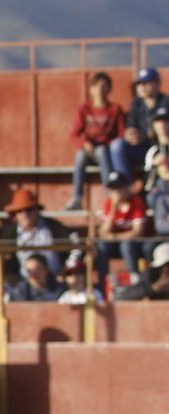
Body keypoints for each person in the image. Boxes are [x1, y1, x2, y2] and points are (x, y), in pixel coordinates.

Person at [67, 72, 125, 210]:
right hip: (88, 149)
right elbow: (74, 134)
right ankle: (77, 198)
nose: (100, 90)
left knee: (102, 152)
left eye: (104, 86)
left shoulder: (115, 110)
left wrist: (108, 144)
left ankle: (109, 196)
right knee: (79, 156)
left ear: (109, 89)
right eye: (96, 86)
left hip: (105, 150)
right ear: (91, 89)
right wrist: (84, 144)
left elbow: (121, 134)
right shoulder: (84, 109)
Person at [109, 67, 164, 182]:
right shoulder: (136, 104)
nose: (142, 87)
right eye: (139, 84)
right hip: (142, 150)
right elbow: (131, 126)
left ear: (157, 83)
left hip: (162, 151)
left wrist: (146, 135)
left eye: (146, 83)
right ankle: (126, 188)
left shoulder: (166, 103)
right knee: (117, 146)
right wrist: (131, 135)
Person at [97, 171, 149, 278]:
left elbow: (138, 232)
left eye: (118, 188)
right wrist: (113, 210)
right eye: (112, 188)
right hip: (116, 243)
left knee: (127, 245)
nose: (116, 192)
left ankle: (134, 280)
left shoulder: (136, 202)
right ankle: (103, 283)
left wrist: (115, 237)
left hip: (135, 244)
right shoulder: (109, 203)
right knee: (102, 246)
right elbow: (102, 232)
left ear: (126, 188)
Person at [6, 189, 62, 280]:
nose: (25, 214)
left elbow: (75, 247)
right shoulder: (9, 234)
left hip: (56, 282)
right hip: (23, 285)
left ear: (37, 210)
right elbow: (6, 264)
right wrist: (15, 282)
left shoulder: (54, 227)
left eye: (28, 210)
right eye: (20, 211)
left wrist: (65, 272)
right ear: (15, 215)